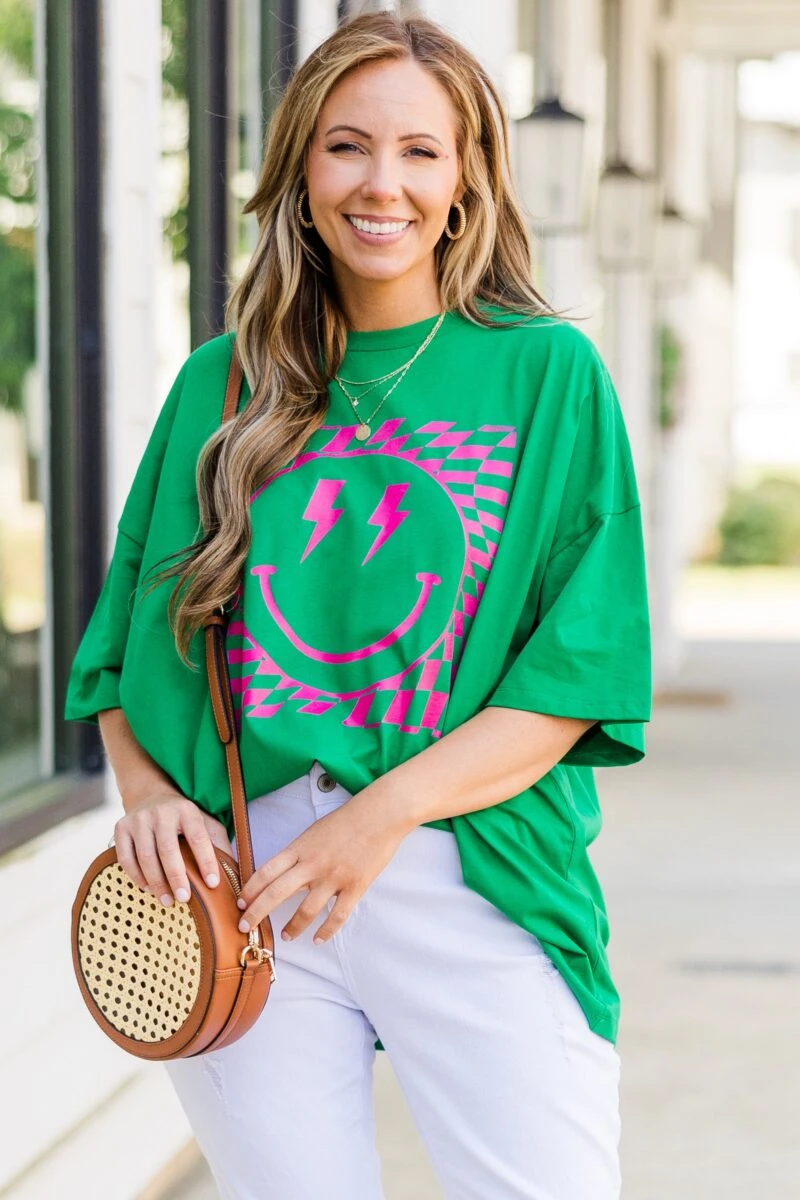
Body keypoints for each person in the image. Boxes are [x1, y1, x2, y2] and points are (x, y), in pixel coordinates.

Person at [65, 10, 651, 1199]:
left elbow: (575, 670)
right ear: (299, 169)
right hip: (248, 880)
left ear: (465, 181)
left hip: (465, 860)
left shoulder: (545, 373)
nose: (381, 183)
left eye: (419, 151)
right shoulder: (221, 383)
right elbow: (127, 640)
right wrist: (148, 796)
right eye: (346, 146)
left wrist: (379, 816)